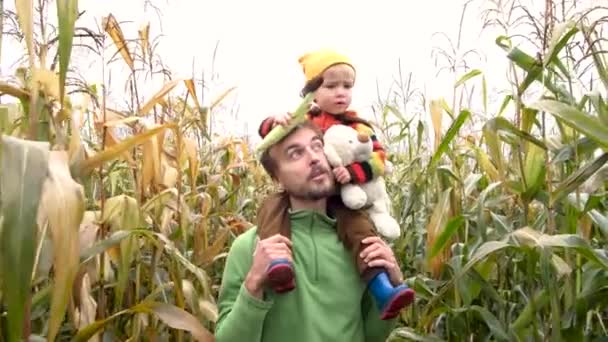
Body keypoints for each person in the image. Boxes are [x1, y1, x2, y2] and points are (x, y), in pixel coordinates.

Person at [255, 48, 414, 319]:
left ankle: (381, 286)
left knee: (363, 234)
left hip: (344, 197)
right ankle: (279, 264)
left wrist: (351, 173)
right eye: (331, 86)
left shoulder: (358, 127)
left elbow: (378, 159)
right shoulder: (302, 120)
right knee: (272, 208)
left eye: (347, 86)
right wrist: (274, 122)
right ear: (312, 92)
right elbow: (269, 140)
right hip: (307, 193)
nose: (341, 92)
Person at [215, 121, 406, 341]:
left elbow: (371, 336)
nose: (314, 157)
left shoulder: (360, 245)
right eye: (295, 154)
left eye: (317, 146)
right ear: (277, 177)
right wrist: (254, 283)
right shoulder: (251, 248)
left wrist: (394, 283)